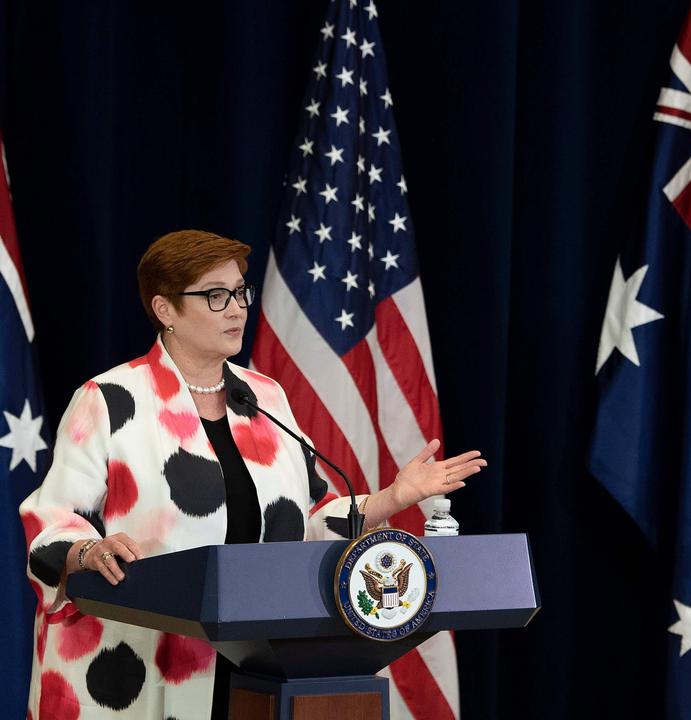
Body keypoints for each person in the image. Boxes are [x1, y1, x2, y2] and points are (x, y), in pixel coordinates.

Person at [20, 230, 486, 719]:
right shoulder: (111, 398)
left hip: (257, 669)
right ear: (165, 310)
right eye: (215, 296)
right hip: (134, 670)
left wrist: (391, 497)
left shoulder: (264, 398)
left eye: (240, 291)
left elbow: (310, 518)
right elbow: (51, 523)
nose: (237, 308)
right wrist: (89, 550)